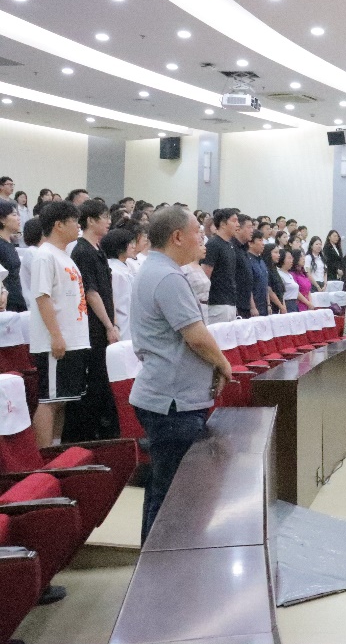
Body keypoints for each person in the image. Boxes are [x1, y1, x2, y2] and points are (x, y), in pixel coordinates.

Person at [129, 206, 231, 541]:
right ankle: (163, 563)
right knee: (175, 494)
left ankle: (154, 558)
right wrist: (222, 363)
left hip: (166, 396)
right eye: (197, 232)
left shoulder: (156, 269)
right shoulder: (168, 277)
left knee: (163, 489)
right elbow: (196, 336)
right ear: (177, 237)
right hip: (172, 402)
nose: (202, 239)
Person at [28, 201, 89, 448]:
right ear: (59, 225)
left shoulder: (63, 255)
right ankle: (44, 458)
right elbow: (42, 297)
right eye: (74, 221)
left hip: (73, 339)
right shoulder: (45, 255)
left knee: (62, 400)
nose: (78, 226)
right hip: (55, 340)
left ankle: (56, 449)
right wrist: (56, 335)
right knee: (50, 401)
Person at [66, 199, 120, 442]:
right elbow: (91, 292)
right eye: (104, 217)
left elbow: (107, 289)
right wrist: (108, 325)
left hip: (105, 323)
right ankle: (87, 436)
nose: (109, 221)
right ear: (90, 220)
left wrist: (113, 322)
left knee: (104, 380)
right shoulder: (82, 251)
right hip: (93, 327)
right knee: (95, 381)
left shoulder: (98, 249)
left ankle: (102, 430)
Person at [201, 208, 239, 323]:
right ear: (222, 224)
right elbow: (205, 275)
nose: (237, 224)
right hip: (217, 304)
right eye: (234, 221)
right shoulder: (213, 244)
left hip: (230, 302)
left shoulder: (230, 245)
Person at [102, 227, 136, 341]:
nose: (133, 246)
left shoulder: (126, 267)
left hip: (129, 323)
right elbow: (112, 301)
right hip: (120, 326)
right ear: (119, 246)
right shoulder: (114, 271)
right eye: (129, 243)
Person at [0, 201, 27, 312]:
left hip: (17, 299)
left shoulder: (8, 243)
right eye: (14, 215)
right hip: (7, 302)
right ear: (2, 219)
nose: (18, 218)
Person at [233, 215, 257, 318]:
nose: (252, 230)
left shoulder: (244, 249)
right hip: (235, 305)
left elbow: (247, 280)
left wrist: (252, 306)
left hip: (246, 304)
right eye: (249, 227)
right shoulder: (232, 248)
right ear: (238, 228)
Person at [247, 234, 271, 316]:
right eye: (260, 240)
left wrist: (268, 304)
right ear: (250, 243)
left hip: (264, 305)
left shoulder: (261, 261)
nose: (263, 244)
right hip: (254, 306)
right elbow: (247, 285)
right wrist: (253, 307)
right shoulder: (247, 260)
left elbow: (265, 284)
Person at [263, 244, 287, 314]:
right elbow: (269, 290)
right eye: (275, 252)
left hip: (279, 305)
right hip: (271, 306)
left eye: (278, 252)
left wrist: (283, 305)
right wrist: (281, 306)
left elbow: (280, 289)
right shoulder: (265, 268)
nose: (279, 255)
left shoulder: (274, 269)